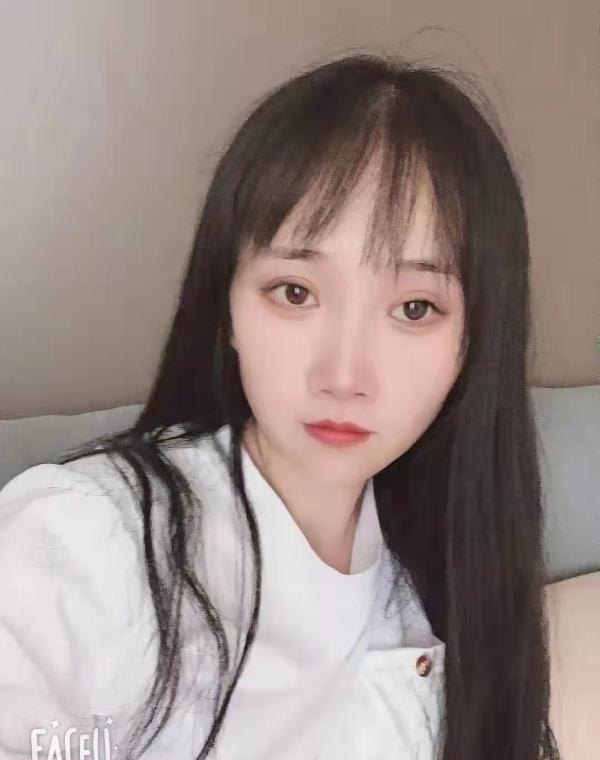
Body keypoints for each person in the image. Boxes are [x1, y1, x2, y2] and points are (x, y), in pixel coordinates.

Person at [0, 52, 562, 760]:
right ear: (227, 308)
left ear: (474, 343)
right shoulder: (85, 541)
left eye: (415, 307)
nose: (344, 376)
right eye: (296, 292)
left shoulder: (447, 565)